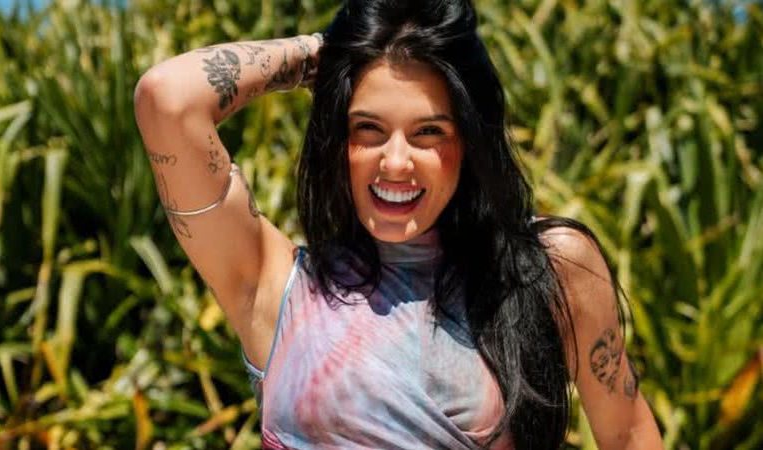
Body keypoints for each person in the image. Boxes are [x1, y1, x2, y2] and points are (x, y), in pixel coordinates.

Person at [133, 0, 664, 448]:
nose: (395, 162)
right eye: (368, 128)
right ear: (338, 138)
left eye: (428, 132)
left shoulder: (542, 271)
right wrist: (325, 53)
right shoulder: (275, 288)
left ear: (469, 140)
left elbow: (629, 435)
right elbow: (167, 99)